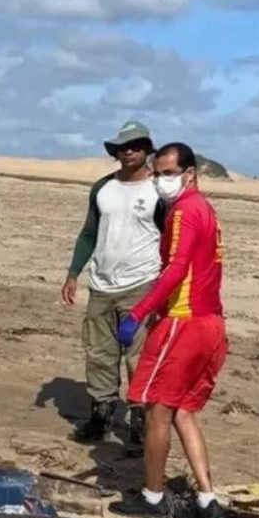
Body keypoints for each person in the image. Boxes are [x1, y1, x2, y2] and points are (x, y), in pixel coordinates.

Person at [107, 142, 228, 518]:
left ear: (190, 174)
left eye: (169, 174)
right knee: (183, 412)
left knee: (157, 410)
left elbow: (175, 269)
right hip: (211, 323)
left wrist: (139, 313)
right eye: (158, 174)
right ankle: (207, 499)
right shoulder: (205, 210)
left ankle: (154, 497)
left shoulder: (185, 211)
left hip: (185, 324)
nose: (161, 181)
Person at [62, 120, 166, 448]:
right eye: (123, 147)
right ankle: (101, 415)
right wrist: (73, 273)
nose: (129, 151)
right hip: (101, 285)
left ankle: (139, 421)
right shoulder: (103, 188)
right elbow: (89, 233)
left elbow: (171, 240)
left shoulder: (159, 191)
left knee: (139, 355)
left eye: (136, 146)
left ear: (147, 150)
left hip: (142, 284)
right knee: (98, 352)